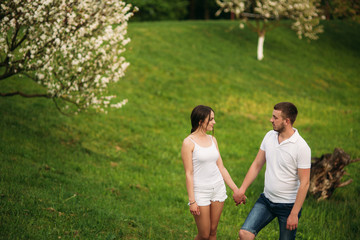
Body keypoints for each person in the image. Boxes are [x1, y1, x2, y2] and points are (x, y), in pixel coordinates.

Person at [233, 102, 311, 240]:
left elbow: (304, 183)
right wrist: (242, 189)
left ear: (287, 121)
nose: (271, 120)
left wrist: (294, 213)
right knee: (244, 234)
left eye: (275, 117)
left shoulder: (301, 147)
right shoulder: (269, 136)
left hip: (288, 206)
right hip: (266, 200)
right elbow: (257, 164)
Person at [181, 105, 238, 240]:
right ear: (200, 121)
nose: (214, 122)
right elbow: (189, 173)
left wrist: (235, 189)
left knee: (213, 232)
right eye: (211, 119)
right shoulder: (188, 143)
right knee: (204, 234)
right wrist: (192, 201)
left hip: (218, 188)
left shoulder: (213, 140)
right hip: (201, 192)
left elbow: (221, 167)